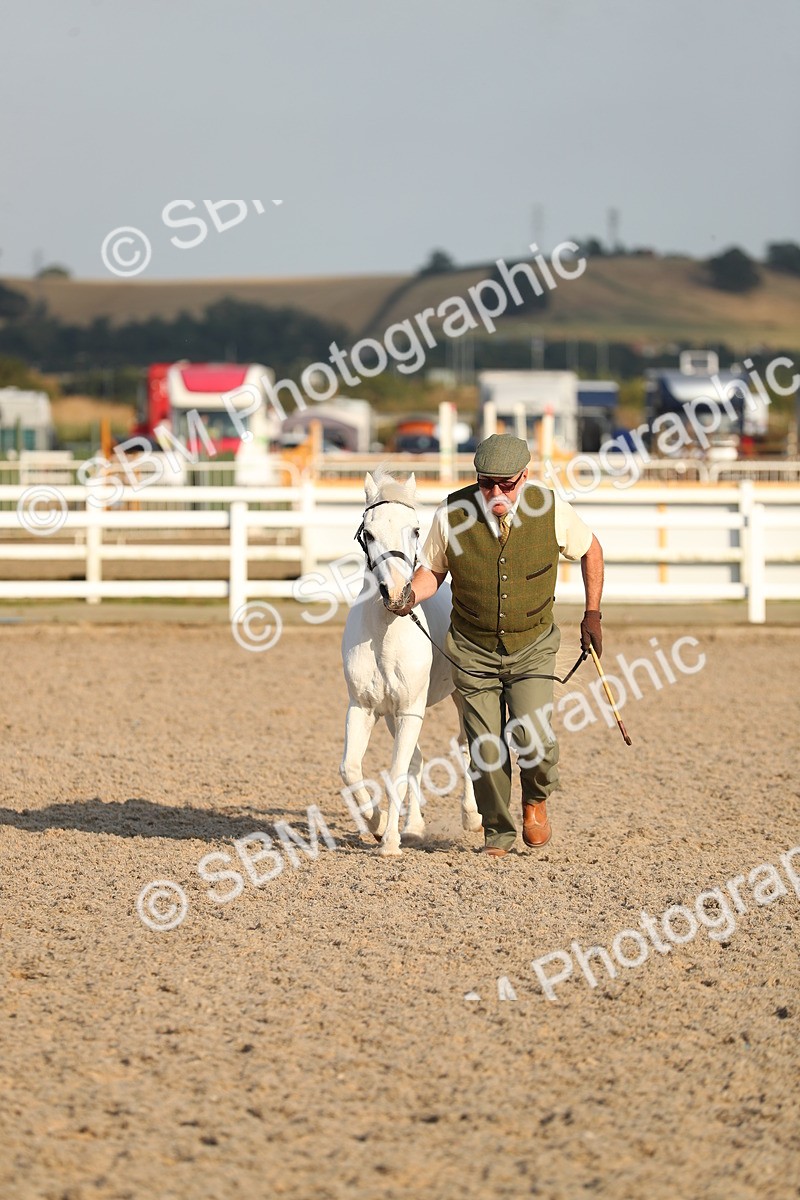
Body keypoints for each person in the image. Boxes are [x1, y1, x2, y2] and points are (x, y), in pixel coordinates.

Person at [387, 434, 604, 857]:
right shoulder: (452, 513)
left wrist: (592, 613)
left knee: (536, 739)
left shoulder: (552, 508)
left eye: (506, 484)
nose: (495, 493)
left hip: (532, 645)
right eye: (486, 483)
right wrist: (409, 596)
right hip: (471, 648)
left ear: (525, 476)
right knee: (486, 748)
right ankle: (498, 833)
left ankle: (535, 799)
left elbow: (591, 550)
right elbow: (433, 569)